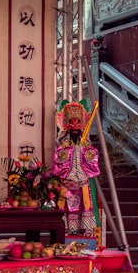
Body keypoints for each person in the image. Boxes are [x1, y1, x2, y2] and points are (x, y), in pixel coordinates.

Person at [50, 100, 100, 236]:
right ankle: (65, 233)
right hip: (66, 186)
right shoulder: (63, 145)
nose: (75, 127)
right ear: (67, 126)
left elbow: (93, 161)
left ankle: (85, 234)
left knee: (85, 209)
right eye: (72, 124)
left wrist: (87, 152)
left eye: (78, 123)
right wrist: (65, 151)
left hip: (82, 185)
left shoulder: (86, 145)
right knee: (66, 210)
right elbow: (58, 162)